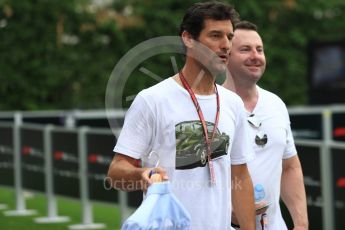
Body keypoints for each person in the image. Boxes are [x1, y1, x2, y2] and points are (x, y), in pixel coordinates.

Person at [107, 2, 256, 229]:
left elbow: (241, 175)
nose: (226, 45)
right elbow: (116, 172)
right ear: (188, 38)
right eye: (215, 35)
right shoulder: (152, 100)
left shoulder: (233, 103)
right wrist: (142, 174)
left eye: (229, 36)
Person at [223, 21, 308, 229]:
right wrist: (230, 211)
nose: (255, 56)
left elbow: (290, 167)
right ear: (225, 57)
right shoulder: (212, 107)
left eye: (259, 49)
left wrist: (301, 223)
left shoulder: (275, 104)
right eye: (245, 49)